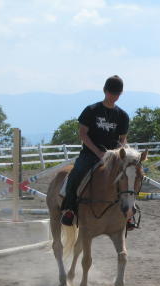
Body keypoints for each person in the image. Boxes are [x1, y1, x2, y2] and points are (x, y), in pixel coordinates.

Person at [61, 75, 134, 229]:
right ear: (104, 91)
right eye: (111, 93)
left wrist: (115, 154)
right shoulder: (91, 110)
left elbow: (123, 139)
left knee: (129, 178)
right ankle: (70, 209)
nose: (114, 97)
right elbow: (83, 134)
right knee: (77, 173)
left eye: (117, 94)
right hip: (90, 154)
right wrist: (98, 153)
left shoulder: (122, 116)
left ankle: (128, 214)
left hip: (113, 157)